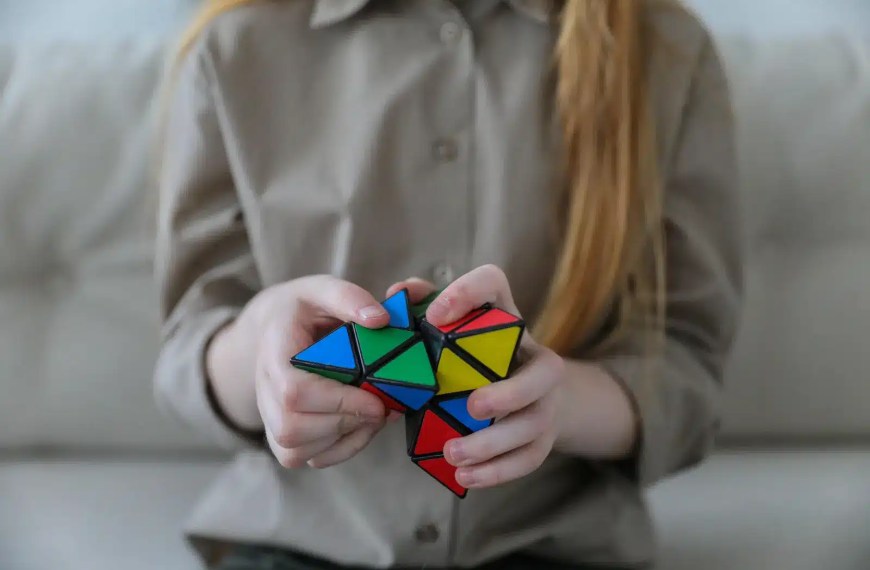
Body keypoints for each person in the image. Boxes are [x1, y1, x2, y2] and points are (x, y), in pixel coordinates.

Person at [153, 0, 742, 568]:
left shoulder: (666, 51)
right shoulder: (235, 47)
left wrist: (560, 405)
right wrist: (260, 342)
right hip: (297, 543)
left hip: (549, 546)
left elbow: (686, 369)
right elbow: (185, 356)